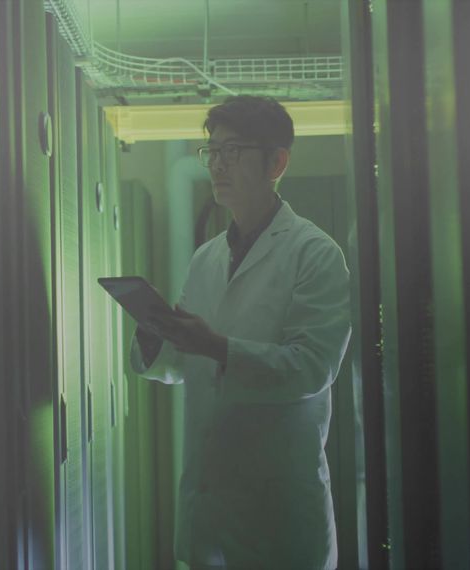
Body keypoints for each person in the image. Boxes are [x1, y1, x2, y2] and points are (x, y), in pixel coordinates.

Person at [130, 95, 351, 569]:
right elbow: (183, 365)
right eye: (212, 151)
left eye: (233, 151)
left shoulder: (316, 254)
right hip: (209, 515)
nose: (217, 165)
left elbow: (311, 369)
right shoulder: (206, 257)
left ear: (277, 162)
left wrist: (215, 346)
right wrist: (156, 333)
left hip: (279, 522)